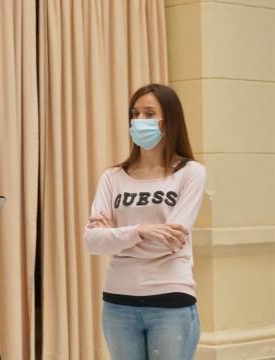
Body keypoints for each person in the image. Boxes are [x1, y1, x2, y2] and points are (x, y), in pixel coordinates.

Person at [84, 83, 206, 360]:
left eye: (149, 113)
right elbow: (92, 241)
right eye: (135, 113)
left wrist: (117, 238)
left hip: (170, 301)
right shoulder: (112, 177)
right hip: (117, 303)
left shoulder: (190, 173)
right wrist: (143, 230)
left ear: (170, 119)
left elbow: (172, 242)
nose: (140, 120)